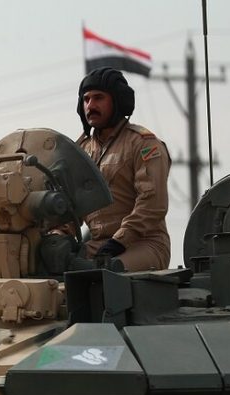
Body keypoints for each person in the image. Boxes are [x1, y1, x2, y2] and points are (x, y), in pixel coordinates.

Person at [69, 67, 171, 271]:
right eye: (86, 99)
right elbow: (69, 208)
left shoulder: (143, 144)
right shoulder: (80, 151)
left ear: (118, 101)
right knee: (50, 268)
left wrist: (119, 241)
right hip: (98, 246)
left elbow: (153, 205)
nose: (91, 105)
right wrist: (58, 236)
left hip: (144, 243)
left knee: (105, 273)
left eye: (98, 98)